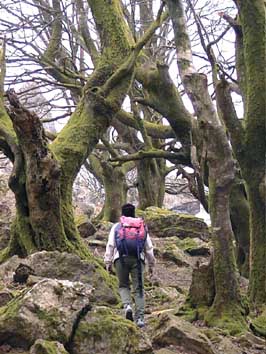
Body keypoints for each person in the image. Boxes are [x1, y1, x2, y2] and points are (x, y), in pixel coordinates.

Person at [104, 203, 155, 328]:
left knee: (123, 286)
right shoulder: (141, 226)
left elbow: (111, 245)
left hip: (120, 259)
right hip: (138, 260)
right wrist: (151, 265)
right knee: (139, 289)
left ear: (123, 213)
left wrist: (107, 262)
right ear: (134, 212)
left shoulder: (117, 226)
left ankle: (127, 306)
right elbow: (149, 248)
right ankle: (140, 319)